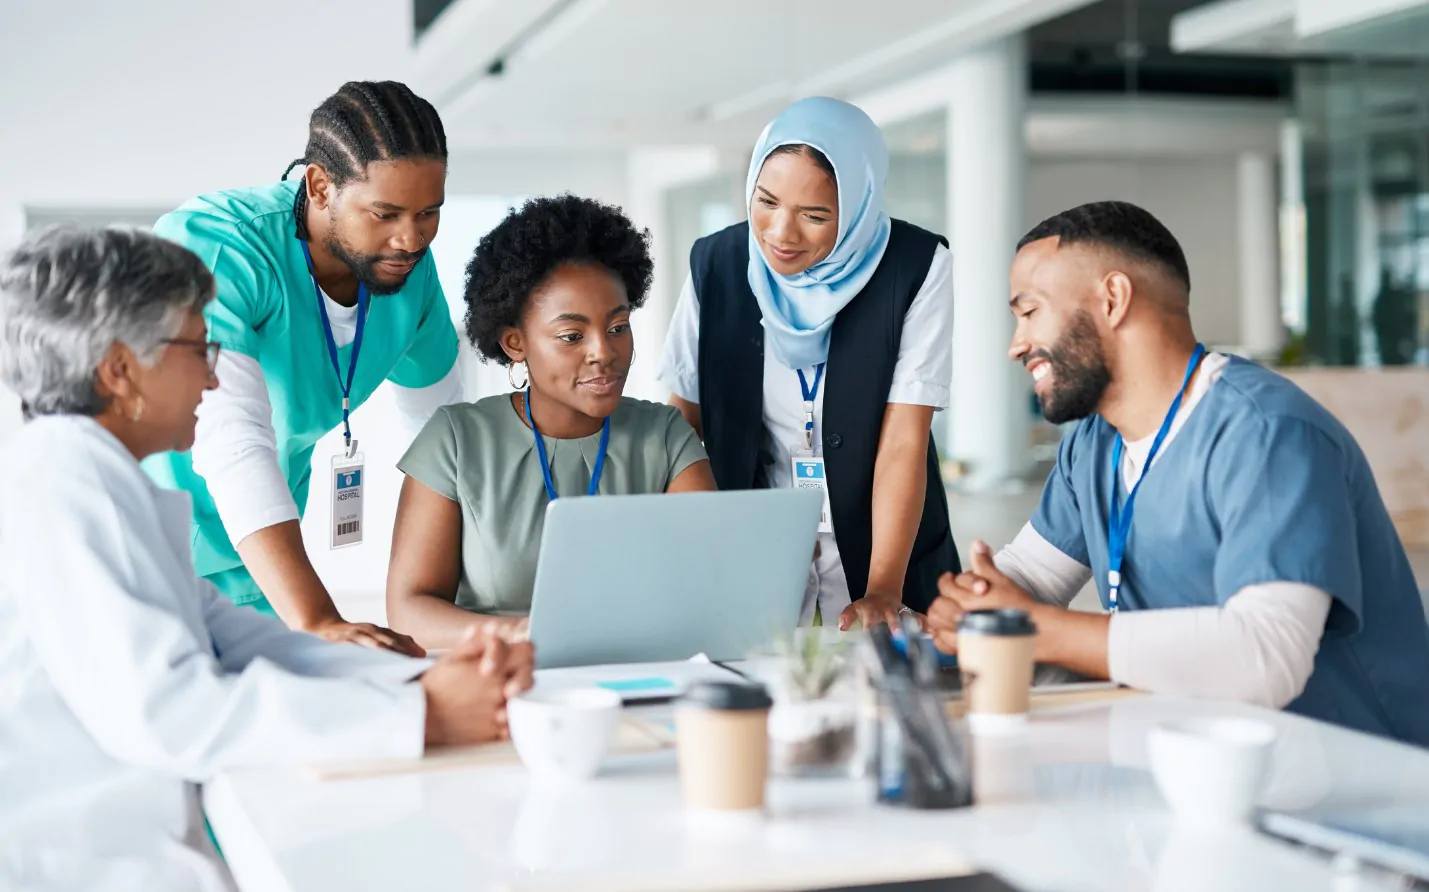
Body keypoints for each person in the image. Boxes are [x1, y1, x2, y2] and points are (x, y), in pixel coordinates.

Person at [0, 227, 533, 891]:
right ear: (118, 370)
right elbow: (171, 712)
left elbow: (236, 641)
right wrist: (421, 716)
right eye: (199, 348)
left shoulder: (99, 477)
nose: (214, 373)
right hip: (85, 865)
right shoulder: (64, 479)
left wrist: (421, 679)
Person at [925, 201, 1429, 748]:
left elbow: (1265, 655)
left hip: (1353, 780)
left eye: (1030, 311)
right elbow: (1030, 578)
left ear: (1113, 299)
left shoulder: (1268, 433)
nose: (1016, 344)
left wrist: (1028, 626)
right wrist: (972, 605)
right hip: (1203, 759)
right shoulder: (1095, 443)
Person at [142, 81, 462, 656]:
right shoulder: (224, 247)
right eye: (385, 213)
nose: (411, 238)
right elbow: (229, 436)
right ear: (319, 186)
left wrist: (451, 596)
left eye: (429, 213)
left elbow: (443, 440)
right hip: (146, 554)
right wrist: (316, 618)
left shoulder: (408, 271)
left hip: (257, 571)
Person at [659, 96, 960, 631]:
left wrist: (884, 590)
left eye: (815, 215)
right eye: (766, 201)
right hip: (755, 547)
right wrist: (697, 549)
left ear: (858, 205)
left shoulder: (915, 267)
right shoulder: (717, 264)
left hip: (888, 548)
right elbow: (682, 421)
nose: (780, 233)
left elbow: (903, 443)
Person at [386, 195, 716, 650]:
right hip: (500, 681)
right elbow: (409, 610)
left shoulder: (664, 436)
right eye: (571, 336)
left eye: (618, 327)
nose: (604, 351)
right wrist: (526, 635)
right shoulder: (457, 440)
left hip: (639, 673)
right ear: (515, 342)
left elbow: (712, 581)